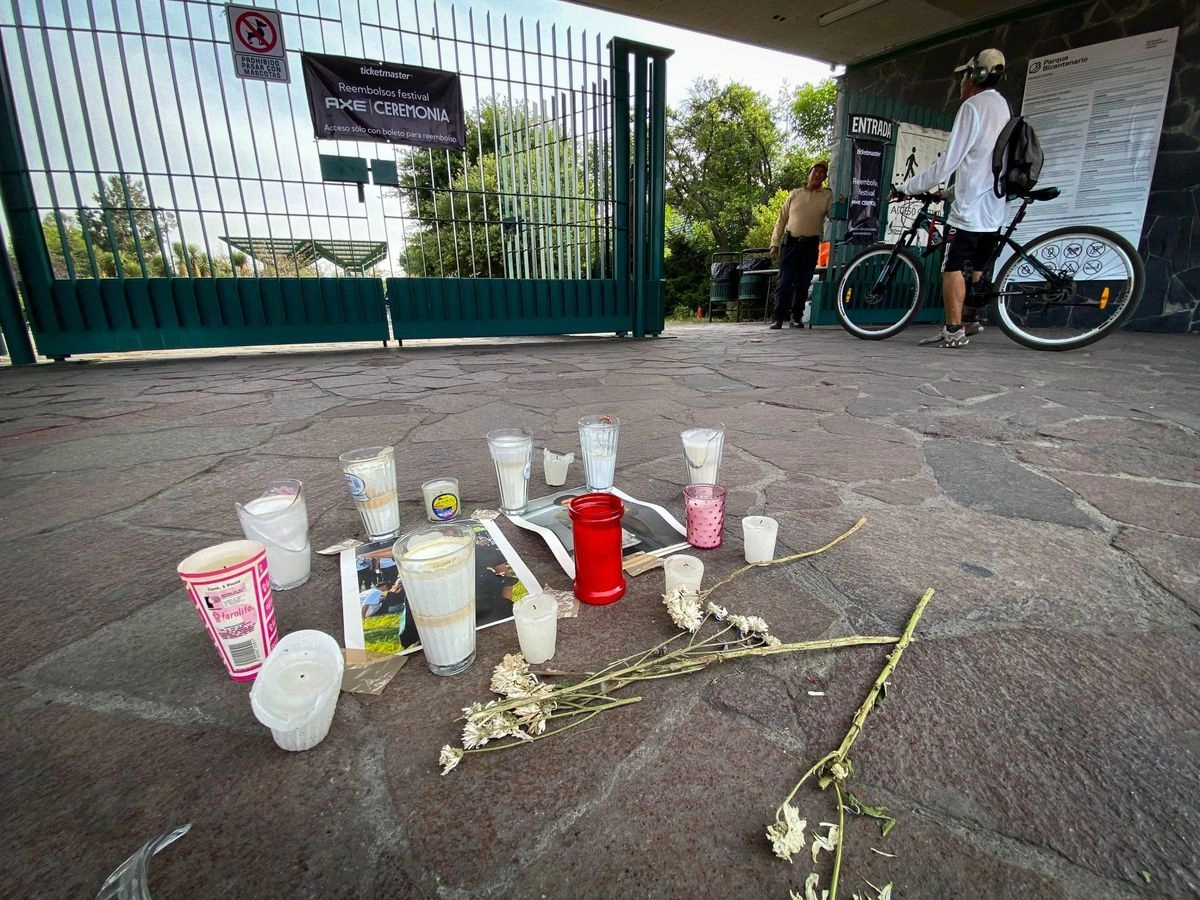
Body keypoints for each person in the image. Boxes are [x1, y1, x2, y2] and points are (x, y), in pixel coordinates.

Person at [898, 48, 1010, 348]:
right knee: (976, 268)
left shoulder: (972, 108)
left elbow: (948, 162)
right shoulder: (1001, 107)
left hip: (970, 212)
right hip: (993, 209)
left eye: (964, 77)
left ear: (976, 75)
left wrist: (907, 188)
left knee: (951, 267)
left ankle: (952, 329)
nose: (961, 84)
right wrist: (947, 193)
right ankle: (971, 320)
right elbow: (984, 163)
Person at [769, 160, 833, 329]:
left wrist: (841, 204)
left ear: (825, 177)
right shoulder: (795, 194)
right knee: (784, 281)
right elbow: (781, 219)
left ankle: (796, 317)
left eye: (822, 172)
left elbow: (833, 214)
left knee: (803, 283)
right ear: (809, 173)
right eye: (815, 171)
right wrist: (774, 242)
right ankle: (778, 318)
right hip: (791, 243)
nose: (818, 174)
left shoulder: (826, 195)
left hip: (811, 244)